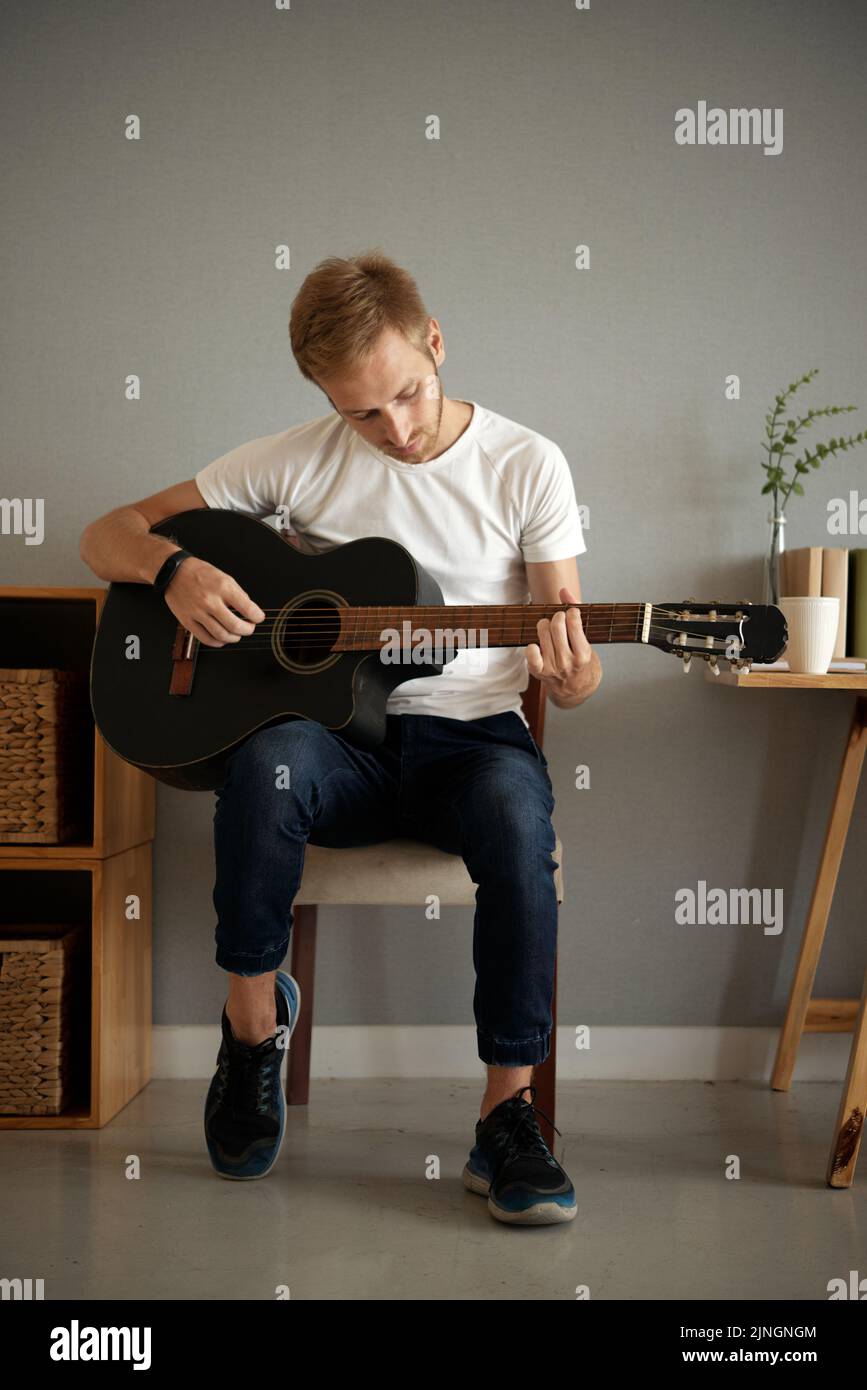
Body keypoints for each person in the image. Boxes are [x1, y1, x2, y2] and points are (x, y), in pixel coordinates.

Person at [79, 249, 602, 1225]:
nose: (394, 429)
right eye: (363, 411)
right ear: (325, 395)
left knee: (518, 821)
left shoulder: (528, 463)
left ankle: (508, 1117)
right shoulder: (295, 458)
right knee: (267, 761)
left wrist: (574, 675)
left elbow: (569, 652)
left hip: (472, 741)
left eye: (406, 392)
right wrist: (171, 569)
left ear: (435, 343)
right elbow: (102, 533)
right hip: (336, 749)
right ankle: (250, 1030)